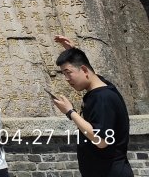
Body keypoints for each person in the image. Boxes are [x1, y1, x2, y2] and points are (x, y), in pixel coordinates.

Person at [49, 36, 133, 177]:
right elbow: (89, 70)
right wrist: (74, 52)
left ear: (83, 70)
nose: (67, 79)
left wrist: (70, 112)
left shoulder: (103, 98)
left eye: (68, 73)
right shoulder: (101, 87)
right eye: (64, 74)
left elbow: (101, 140)